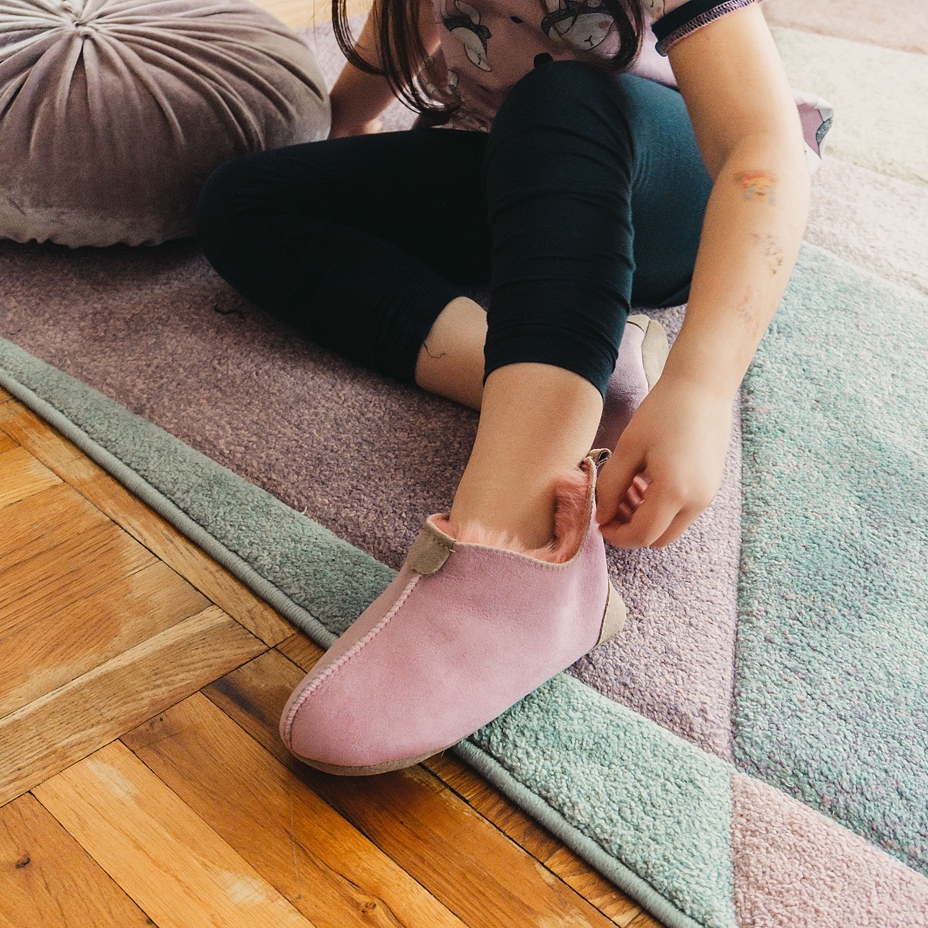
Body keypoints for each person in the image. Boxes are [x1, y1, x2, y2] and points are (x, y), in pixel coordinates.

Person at [198, 0, 831, 775]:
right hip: (528, 169)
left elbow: (759, 150)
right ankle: (598, 377)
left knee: (559, 100)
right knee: (244, 201)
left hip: (674, 190)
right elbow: (398, 30)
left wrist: (702, 384)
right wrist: (344, 142)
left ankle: (529, 547)